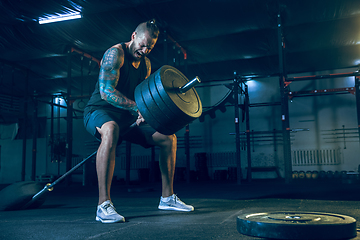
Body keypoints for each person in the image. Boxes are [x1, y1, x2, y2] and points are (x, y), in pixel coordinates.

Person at [83, 19, 194, 224]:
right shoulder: (114, 54)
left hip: (127, 117)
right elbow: (106, 92)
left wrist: (149, 112)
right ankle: (103, 205)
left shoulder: (146, 64)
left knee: (168, 138)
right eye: (142, 44)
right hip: (100, 111)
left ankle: (167, 198)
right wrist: (137, 108)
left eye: (149, 47)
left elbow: (143, 96)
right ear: (133, 36)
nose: (144, 50)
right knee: (111, 130)